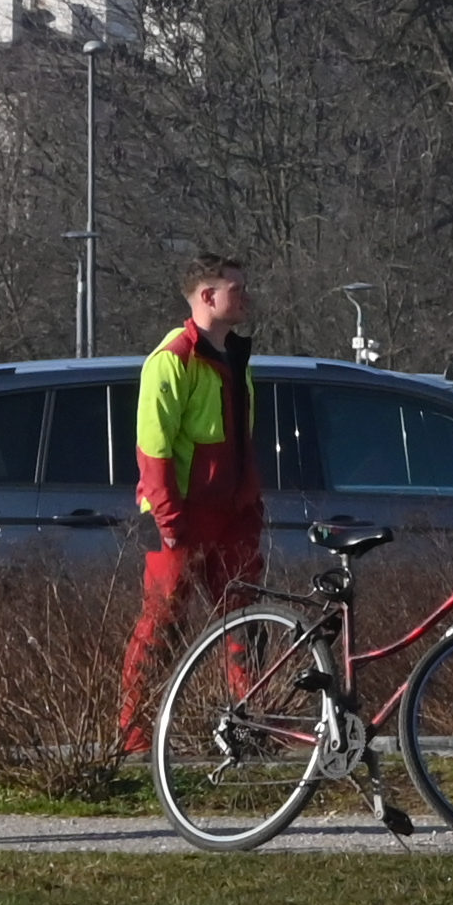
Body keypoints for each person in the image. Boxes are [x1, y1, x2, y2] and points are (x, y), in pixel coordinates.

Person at [119, 254, 267, 752]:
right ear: (207, 296)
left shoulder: (234, 357)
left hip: (232, 515)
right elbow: (153, 449)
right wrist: (170, 521)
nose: (245, 296)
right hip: (183, 516)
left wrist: (250, 502)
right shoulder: (172, 359)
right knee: (164, 622)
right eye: (236, 288)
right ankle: (135, 735)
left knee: (245, 621)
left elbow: (238, 439)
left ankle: (250, 726)